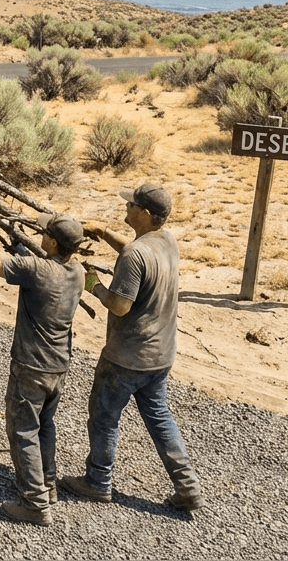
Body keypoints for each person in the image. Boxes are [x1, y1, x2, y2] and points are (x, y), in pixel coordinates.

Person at [58, 183, 204, 512]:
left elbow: (120, 305)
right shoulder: (166, 241)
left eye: (132, 205)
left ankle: (97, 482)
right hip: (160, 353)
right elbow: (136, 252)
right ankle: (188, 486)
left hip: (126, 358)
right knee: (159, 418)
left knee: (104, 417)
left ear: (146, 214)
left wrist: (94, 285)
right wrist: (106, 232)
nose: (127, 207)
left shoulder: (135, 255)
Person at [0, 206, 86, 527]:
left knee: (22, 430)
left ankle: (34, 504)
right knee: (44, 426)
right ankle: (47, 488)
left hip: (32, 367)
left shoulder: (35, 270)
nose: (40, 236)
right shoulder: (76, 272)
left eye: (44, 234)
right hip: (58, 366)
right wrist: (20, 249)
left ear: (51, 242)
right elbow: (44, 269)